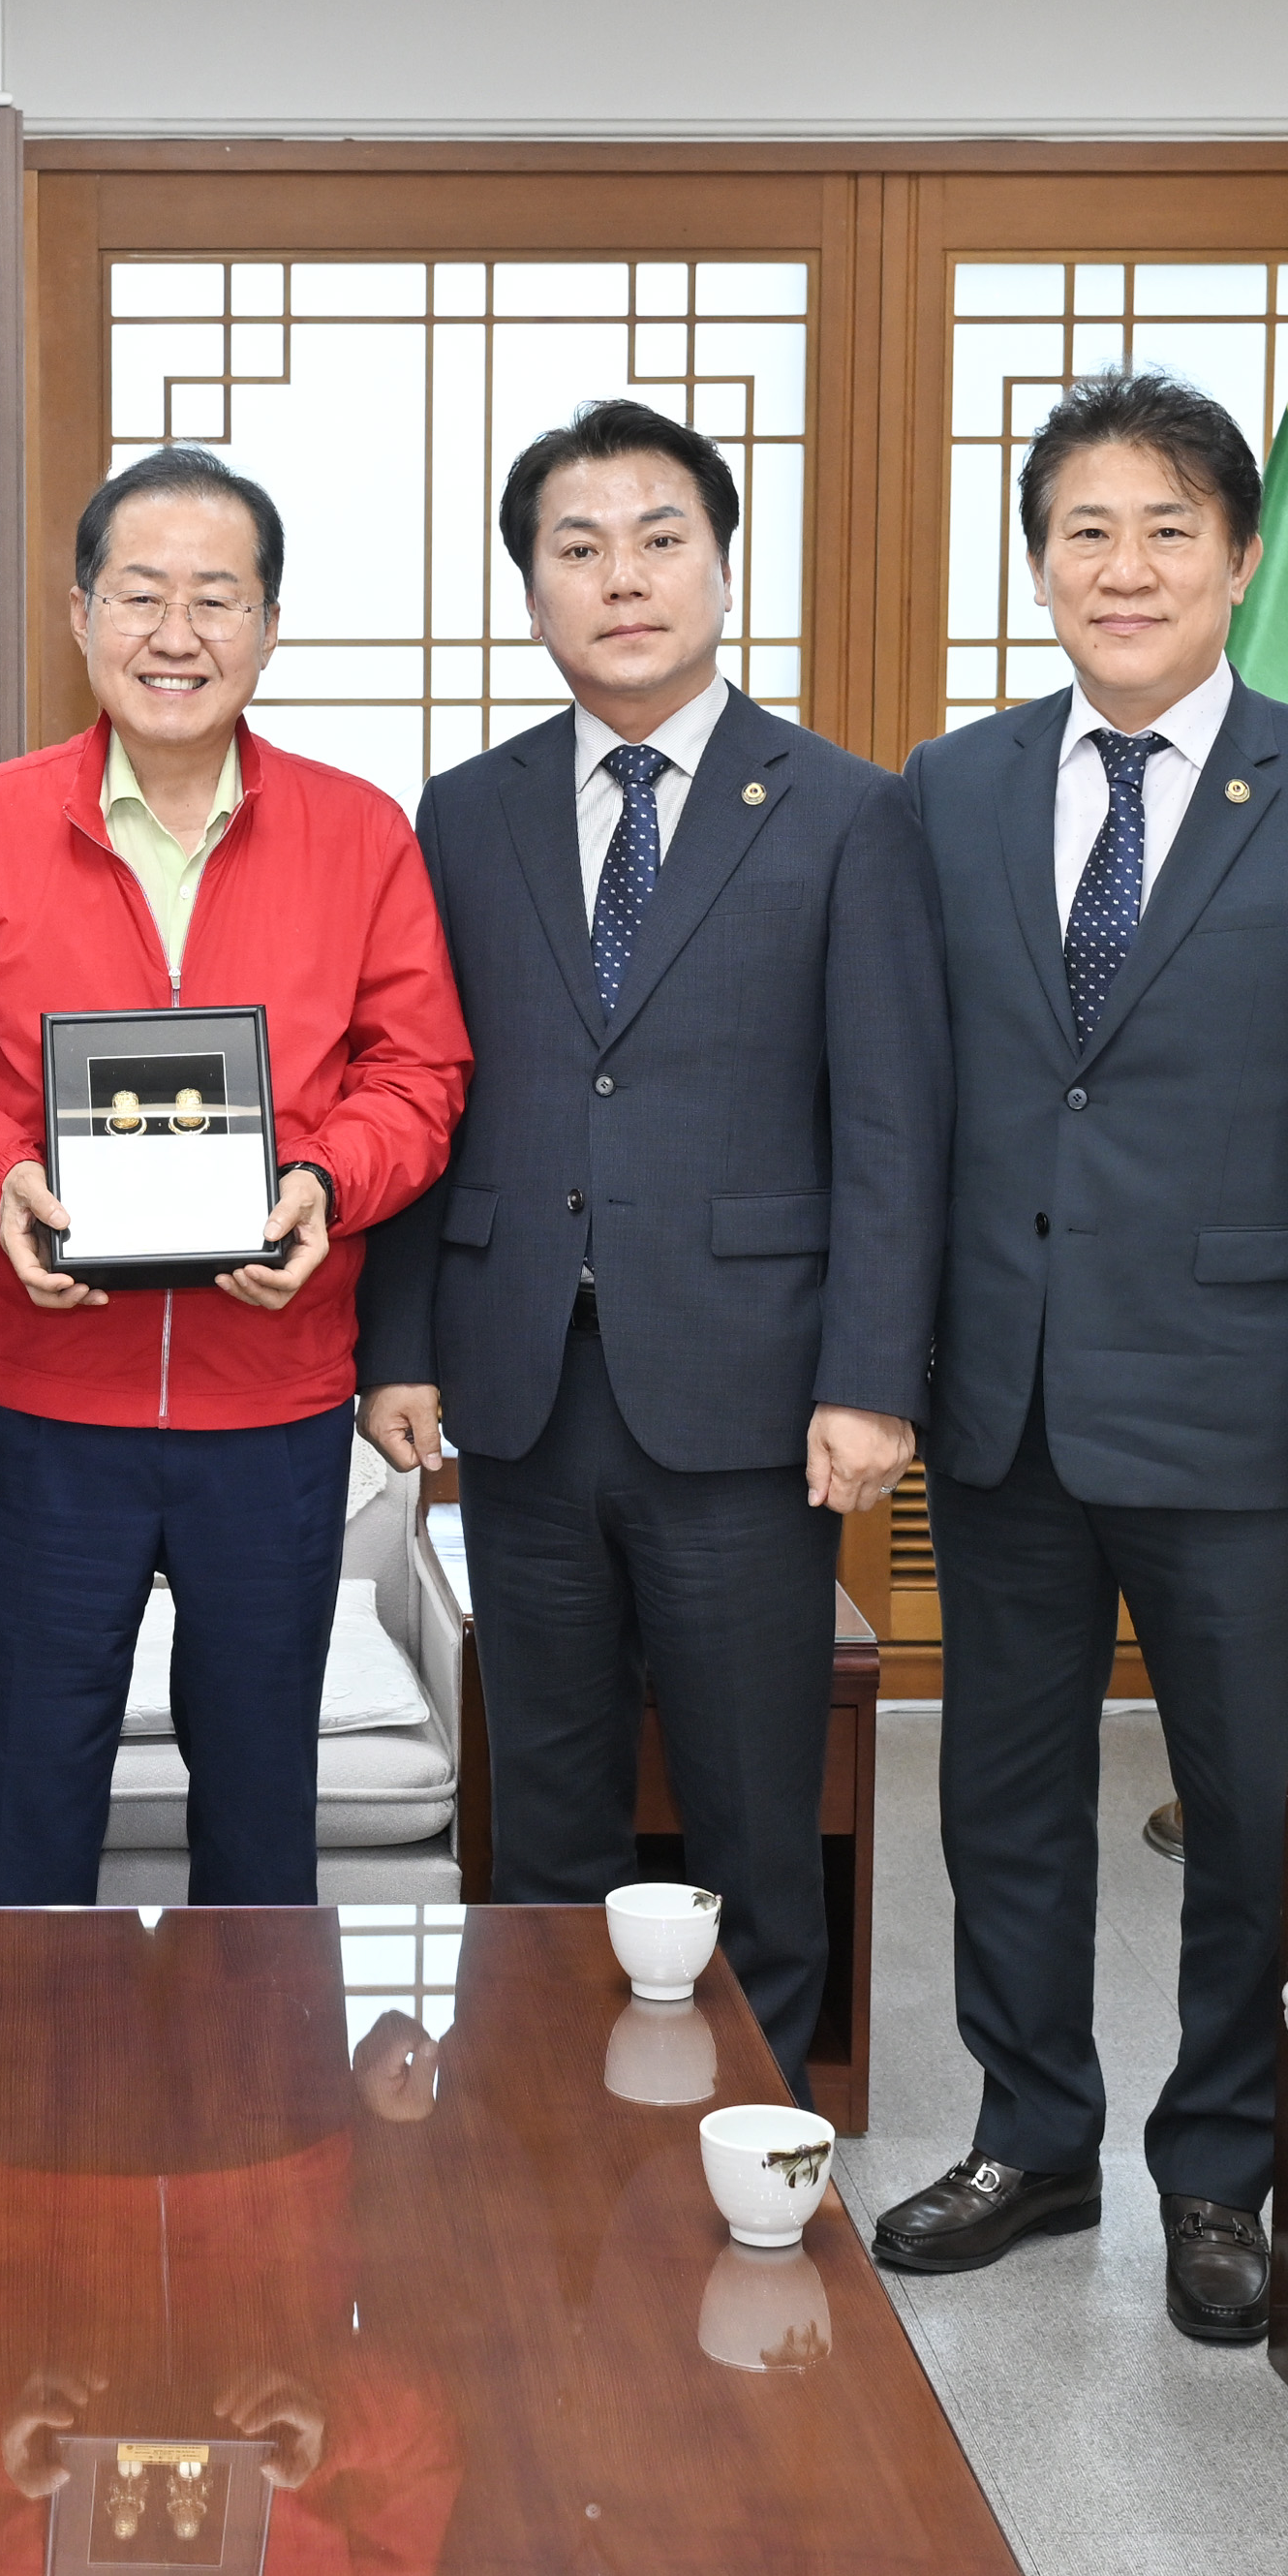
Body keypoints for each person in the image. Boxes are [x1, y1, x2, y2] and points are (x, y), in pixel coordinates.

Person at [871, 369, 1288, 2344]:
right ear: (1037, 563)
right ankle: (1030, 2136)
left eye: (1165, 532)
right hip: (1007, 1392)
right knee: (1002, 1800)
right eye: (1083, 533)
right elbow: (910, 1100)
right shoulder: (948, 788)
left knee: (1241, 1810)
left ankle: (1220, 2171)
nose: (1122, 570)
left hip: (1248, 1398)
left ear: (1237, 556)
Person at [355, 399, 945, 2107]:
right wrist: (399, 1343)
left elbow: (890, 1125)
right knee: (546, 1801)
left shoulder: (845, 810)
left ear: (722, 567)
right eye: (578, 547)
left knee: (754, 1805)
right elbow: (422, 1089)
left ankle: (752, 2134)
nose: (621, 578)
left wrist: (870, 1379)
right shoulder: (463, 813)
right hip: (522, 1387)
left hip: (751, 1394)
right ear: (530, 588)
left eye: (658, 538)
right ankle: (547, 2127)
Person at [0, 447, 470, 1908]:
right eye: (139, 595)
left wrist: (323, 1181)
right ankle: (23, 2057)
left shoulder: (359, 834)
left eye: (216, 598)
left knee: (259, 1799)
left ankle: (255, 2064)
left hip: (273, 1400)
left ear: (268, 625)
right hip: (46, 1402)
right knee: (26, 1790)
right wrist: (4, 1173)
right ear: (80, 615)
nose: (175, 634)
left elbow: (419, 1076)